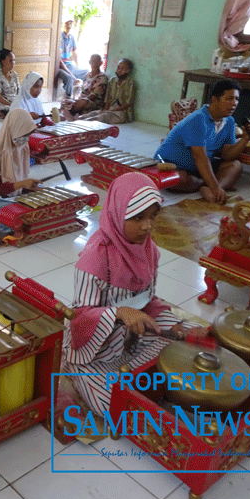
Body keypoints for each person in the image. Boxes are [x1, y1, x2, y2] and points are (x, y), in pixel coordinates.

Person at [63, 173, 208, 416]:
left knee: (191, 345)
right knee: (114, 402)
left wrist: (178, 329)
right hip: (96, 346)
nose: (147, 226)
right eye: (138, 217)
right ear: (118, 214)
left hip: (135, 333)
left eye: (153, 216)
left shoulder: (149, 250)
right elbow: (80, 319)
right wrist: (119, 312)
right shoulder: (95, 259)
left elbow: (147, 301)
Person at [154, 79, 250, 204]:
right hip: (176, 165)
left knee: (236, 166)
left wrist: (245, 139)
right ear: (214, 99)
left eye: (236, 99)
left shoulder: (229, 121)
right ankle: (212, 185)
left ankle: (207, 186)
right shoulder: (198, 119)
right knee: (178, 180)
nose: (234, 103)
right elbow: (199, 157)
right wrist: (215, 186)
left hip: (199, 168)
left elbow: (227, 155)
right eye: (229, 99)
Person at [0, 108, 40, 235]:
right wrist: (23, 184)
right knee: (16, 214)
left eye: (28, 135)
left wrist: (28, 188)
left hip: (15, 196)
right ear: (14, 129)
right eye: (24, 135)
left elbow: (18, 182)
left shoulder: (21, 148)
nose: (26, 139)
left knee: (43, 199)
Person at [77, 58, 135, 124]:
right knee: (92, 114)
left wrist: (112, 110)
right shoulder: (112, 81)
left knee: (101, 118)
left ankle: (80, 124)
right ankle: (77, 120)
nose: (119, 70)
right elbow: (108, 98)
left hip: (121, 112)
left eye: (122, 69)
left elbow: (128, 104)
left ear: (127, 70)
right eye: (118, 68)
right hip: (110, 109)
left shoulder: (130, 83)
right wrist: (105, 109)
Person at [59, 54, 108, 121]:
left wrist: (78, 101)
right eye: (93, 61)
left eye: (97, 62)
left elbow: (94, 95)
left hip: (94, 102)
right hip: (83, 99)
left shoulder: (102, 77)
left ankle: (68, 114)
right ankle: (66, 114)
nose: (95, 64)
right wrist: (75, 100)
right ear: (89, 62)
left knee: (83, 102)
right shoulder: (88, 75)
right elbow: (82, 91)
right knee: (65, 101)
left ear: (101, 63)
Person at [57, 19, 88, 98]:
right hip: (63, 66)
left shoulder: (71, 37)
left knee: (86, 72)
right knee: (70, 77)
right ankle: (69, 98)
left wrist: (77, 65)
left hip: (69, 65)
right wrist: (71, 74)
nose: (69, 26)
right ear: (63, 25)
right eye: (67, 24)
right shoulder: (59, 37)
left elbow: (74, 52)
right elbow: (59, 61)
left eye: (70, 24)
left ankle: (79, 95)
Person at [0, 48, 19, 117]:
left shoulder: (15, 75)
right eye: (10, 61)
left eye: (14, 60)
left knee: (25, 108)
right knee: (11, 110)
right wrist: (10, 104)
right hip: (2, 102)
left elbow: (18, 92)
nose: (13, 63)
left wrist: (17, 102)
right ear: (3, 62)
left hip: (13, 100)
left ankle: (3, 114)